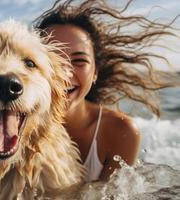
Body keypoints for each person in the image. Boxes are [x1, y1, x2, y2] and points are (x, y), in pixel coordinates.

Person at [33, 0, 178, 182]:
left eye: (79, 61)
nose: (65, 74)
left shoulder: (119, 131)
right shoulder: (9, 122)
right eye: (51, 58)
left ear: (95, 73)